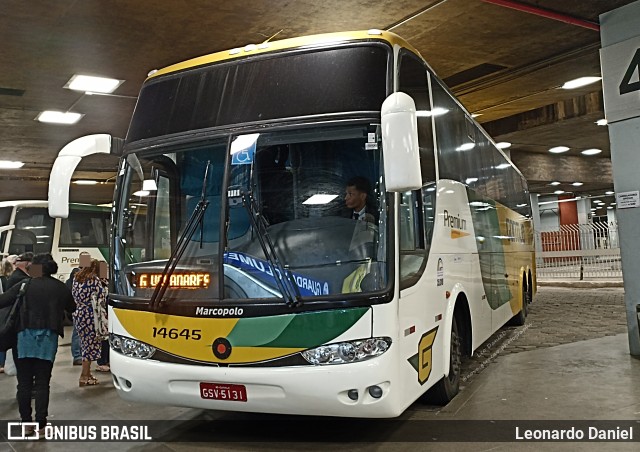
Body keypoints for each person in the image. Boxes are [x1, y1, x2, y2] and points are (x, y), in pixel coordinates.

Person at [0, 253, 75, 436]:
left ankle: (26, 423)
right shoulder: (60, 288)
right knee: (42, 383)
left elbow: (2, 301)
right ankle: (41, 424)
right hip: (47, 340)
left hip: (23, 338)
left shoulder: (25, 285)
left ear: (36, 267)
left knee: (24, 383)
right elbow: (72, 308)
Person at [71, 259, 108, 386]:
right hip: (91, 314)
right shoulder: (95, 280)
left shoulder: (77, 279)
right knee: (90, 346)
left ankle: (87, 374)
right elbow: (101, 297)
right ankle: (84, 376)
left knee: (84, 343)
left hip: (79, 313)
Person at [66, 252, 91, 366]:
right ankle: (77, 355)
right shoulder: (77, 274)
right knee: (78, 332)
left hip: (81, 308)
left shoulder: (82, 274)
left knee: (81, 332)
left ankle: (81, 355)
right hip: (79, 308)